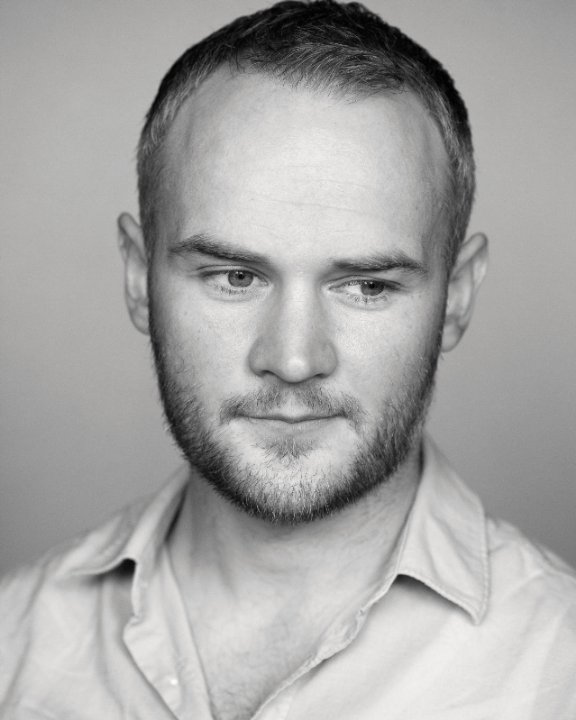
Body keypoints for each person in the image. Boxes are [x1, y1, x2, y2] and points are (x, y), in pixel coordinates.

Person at [1, 1, 575, 717]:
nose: (295, 359)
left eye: (367, 286)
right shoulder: (14, 648)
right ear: (139, 280)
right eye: (234, 277)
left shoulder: (560, 668)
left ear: (456, 297)